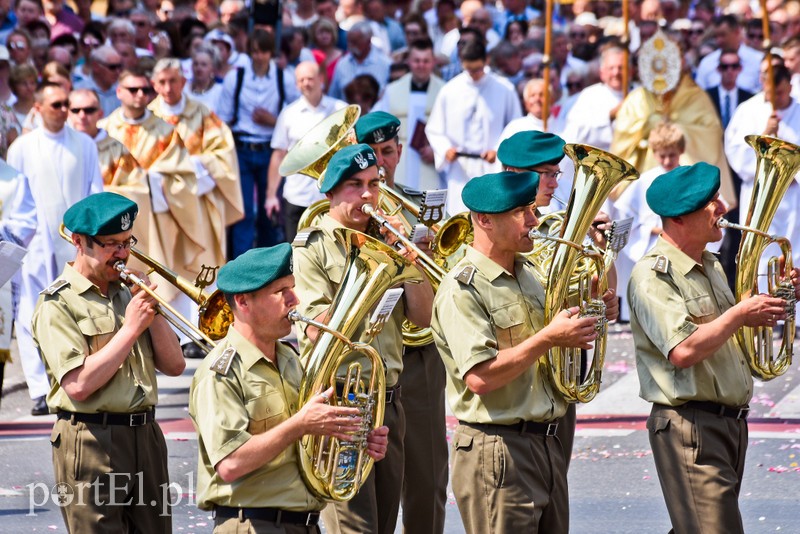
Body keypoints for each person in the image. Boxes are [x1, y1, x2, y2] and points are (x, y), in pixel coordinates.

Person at [627, 162, 800, 534]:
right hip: (690, 425)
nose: (723, 208)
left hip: (726, 425)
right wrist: (740, 314)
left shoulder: (710, 265)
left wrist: (777, 300)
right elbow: (684, 350)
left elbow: (727, 339)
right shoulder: (652, 275)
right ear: (679, 218)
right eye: (710, 202)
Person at [431, 171, 602, 533]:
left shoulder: (529, 274)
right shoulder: (463, 288)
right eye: (520, 212)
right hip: (498, 450)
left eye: (531, 209)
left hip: (544, 443)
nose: (533, 220)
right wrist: (550, 339)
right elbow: (480, 377)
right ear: (484, 221)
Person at [190, 243, 389, 532]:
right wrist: (300, 424)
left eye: (292, 288)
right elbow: (230, 464)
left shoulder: (291, 361)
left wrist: (356, 443)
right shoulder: (220, 372)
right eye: (280, 292)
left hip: (303, 523)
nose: (294, 299)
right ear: (244, 303)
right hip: (254, 525)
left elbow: (305, 452)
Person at [292, 143, 434, 534]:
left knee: (385, 522)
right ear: (331, 193)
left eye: (374, 183)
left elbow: (422, 317)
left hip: (388, 401)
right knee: (354, 527)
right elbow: (315, 326)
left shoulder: (387, 239)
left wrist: (409, 260)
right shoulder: (311, 247)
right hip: (341, 402)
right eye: (355, 185)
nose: (368, 194)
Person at [32, 192, 185, 532]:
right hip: (91, 439)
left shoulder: (128, 291)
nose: (122, 254)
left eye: (127, 242)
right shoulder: (57, 304)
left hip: (145, 435)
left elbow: (175, 366)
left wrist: (153, 308)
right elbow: (79, 384)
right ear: (78, 241)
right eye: (110, 245)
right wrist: (130, 328)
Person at [354, 111, 448, 534]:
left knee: (426, 478)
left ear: (399, 151)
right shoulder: (342, 212)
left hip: (418, 353)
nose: (380, 163)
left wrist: (421, 249)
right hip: (370, 356)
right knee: (372, 485)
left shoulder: (419, 203)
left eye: (387, 153)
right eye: (370, 155)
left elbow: (443, 275)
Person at [3, 81, 103, 416]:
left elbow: (94, 190)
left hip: (74, 242)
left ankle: (74, 377)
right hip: (34, 243)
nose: (64, 111)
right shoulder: (22, 148)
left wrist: (92, 235)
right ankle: (39, 387)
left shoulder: (85, 144)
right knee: (32, 311)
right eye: (57, 104)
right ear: (39, 106)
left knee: (74, 311)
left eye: (67, 104)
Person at [100, 66, 206, 357]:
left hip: (161, 213)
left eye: (144, 90)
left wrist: (152, 180)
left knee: (165, 268)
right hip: (117, 219)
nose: (139, 95)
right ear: (119, 92)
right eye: (132, 90)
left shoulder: (165, 130)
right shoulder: (106, 129)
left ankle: (178, 335)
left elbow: (184, 174)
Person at [150, 57, 245, 275]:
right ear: (154, 85)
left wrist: (194, 165)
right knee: (168, 267)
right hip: (164, 202)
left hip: (199, 199)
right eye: (162, 82)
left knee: (204, 266)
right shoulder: (149, 117)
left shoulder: (202, 113)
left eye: (173, 81)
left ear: (183, 82)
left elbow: (223, 153)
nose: (168, 88)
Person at [217, 28, 300, 258]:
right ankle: (240, 268)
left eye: (263, 52)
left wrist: (273, 121)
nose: (258, 56)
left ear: (270, 53)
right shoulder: (237, 76)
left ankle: (266, 265)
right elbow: (222, 117)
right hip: (241, 147)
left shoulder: (284, 77)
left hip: (270, 148)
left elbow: (296, 114)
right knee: (242, 212)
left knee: (269, 211)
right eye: (254, 51)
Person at [426, 39, 521, 214]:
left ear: (486, 61)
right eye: (469, 69)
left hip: (491, 165)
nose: (474, 74)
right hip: (460, 167)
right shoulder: (450, 89)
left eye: (477, 69)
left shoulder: (504, 88)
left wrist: (498, 150)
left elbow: (516, 125)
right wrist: (445, 149)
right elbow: (434, 128)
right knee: (458, 214)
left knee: (490, 214)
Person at [266, 61, 347, 243]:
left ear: (321, 79)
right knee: (296, 255)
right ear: (296, 84)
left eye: (310, 78)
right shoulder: (288, 113)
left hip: (331, 198)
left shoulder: (341, 109)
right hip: (296, 197)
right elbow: (279, 155)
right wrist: (271, 195)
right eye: (301, 80)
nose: (306, 83)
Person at [615, 122, 684, 322]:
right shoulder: (645, 180)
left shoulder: (687, 176)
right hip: (651, 243)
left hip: (682, 244)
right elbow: (626, 214)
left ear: (681, 151)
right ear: (653, 153)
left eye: (672, 155)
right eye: (662, 155)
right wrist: (647, 229)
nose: (667, 160)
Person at [379, 38, 445, 192]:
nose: (421, 65)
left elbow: (454, 130)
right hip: (401, 159)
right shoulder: (392, 90)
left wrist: (437, 150)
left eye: (426, 61)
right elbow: (382, 129)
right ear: (409, 61)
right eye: (416, 61)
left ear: (433, 62)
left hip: (430, 161)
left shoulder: (444, 91)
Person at [328, 21, 392, 100]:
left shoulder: (385, 64)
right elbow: (333, 96)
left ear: (368, 41)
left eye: (355, 42)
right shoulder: (342, 64)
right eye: (349, 41)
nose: (350, 45)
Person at [73, 45, 123, 117]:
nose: (118, 72)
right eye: (112, 67)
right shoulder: (78, 90)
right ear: (96, 66)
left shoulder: (124, 90)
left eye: (119, 67)